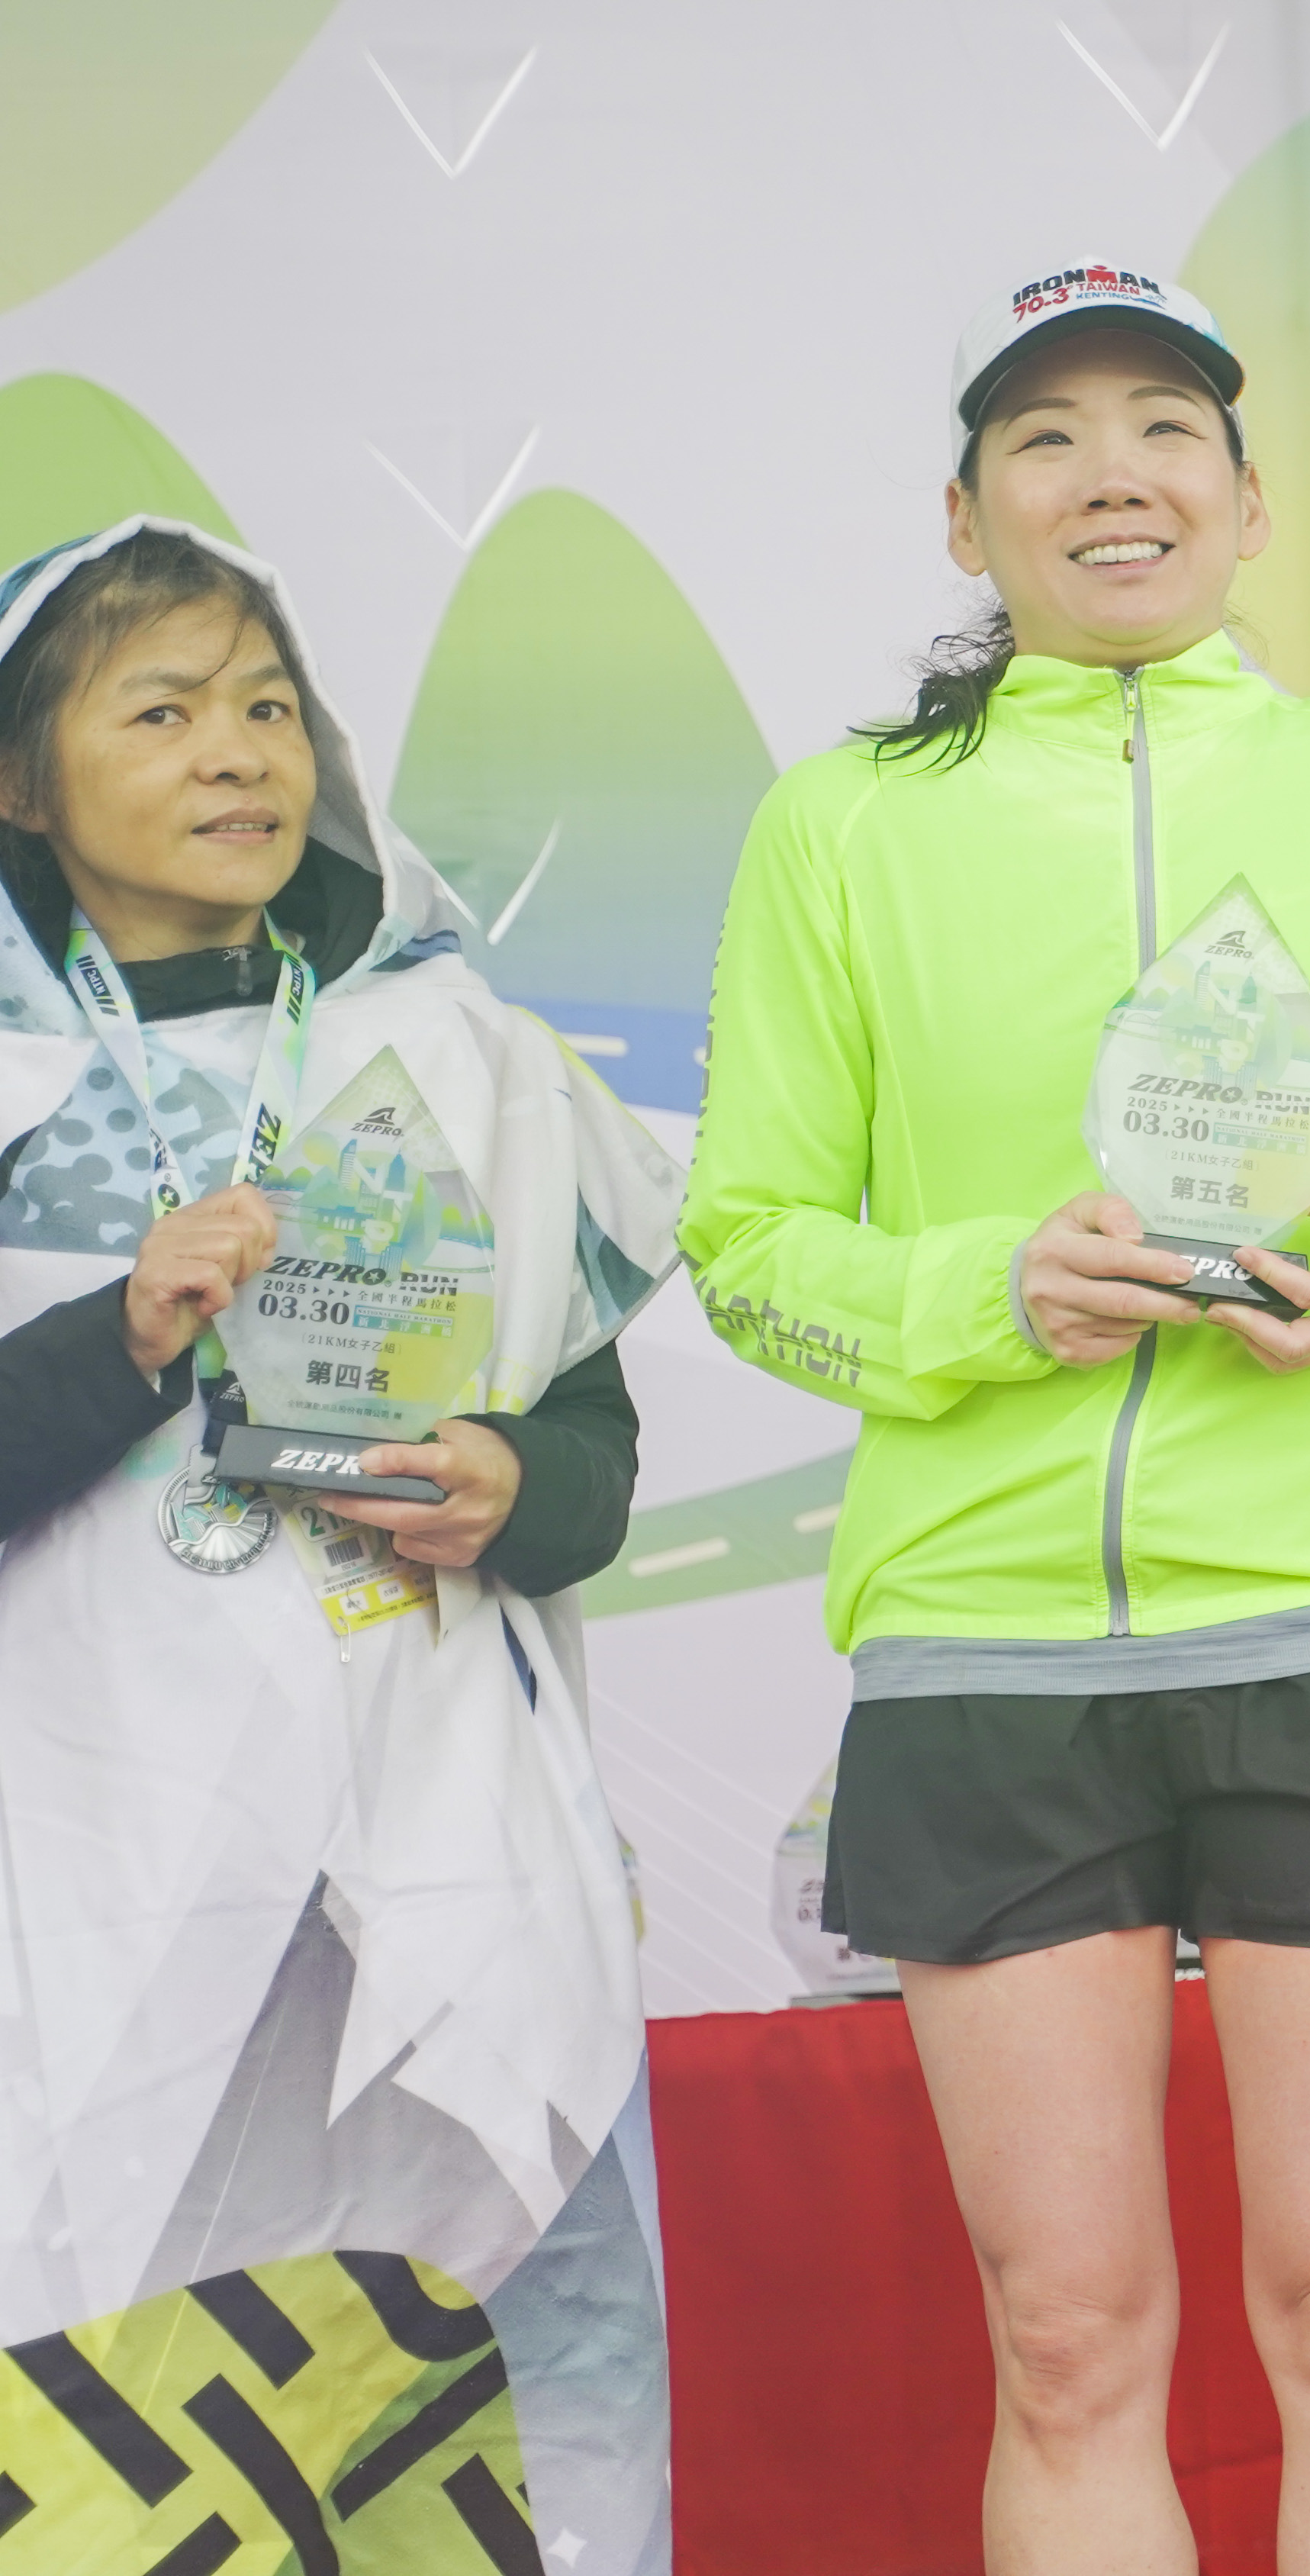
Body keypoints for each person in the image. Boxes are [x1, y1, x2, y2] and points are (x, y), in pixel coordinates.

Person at [678, 263, 1310, 2576]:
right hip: (984, 1645)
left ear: (1249, 505)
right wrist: (986, 1292)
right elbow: (750, 1240)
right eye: (1048, 437)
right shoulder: (839, 828)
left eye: (1167, 429)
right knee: (1067, 2333)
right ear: (965, 519)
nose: (1115, 476)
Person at [0, 519, 682, 2563]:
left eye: (269, 706)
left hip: (431, 1837)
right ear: (21, 782)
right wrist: (125, 1335)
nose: (237, 754)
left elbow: (592, 1453)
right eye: (162, 712)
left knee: (501, 2379)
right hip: (91, 1846)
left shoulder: (461, 1056)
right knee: (95, 2386)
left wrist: (511, 1486)